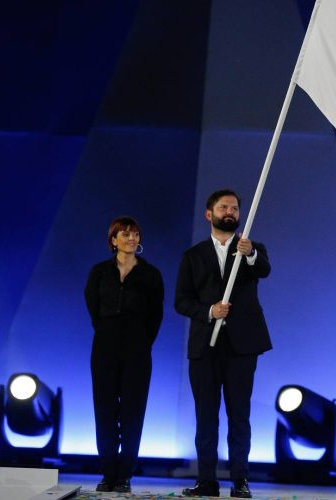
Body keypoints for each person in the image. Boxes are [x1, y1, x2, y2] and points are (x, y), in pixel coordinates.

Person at [175, 189, 271, 498]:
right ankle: (206, 481)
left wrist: (251, 253)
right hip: (205, 346)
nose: (229, 211)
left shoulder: (251, 249)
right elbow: (181, 301)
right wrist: (209, 311)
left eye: (234, 208)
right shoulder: (193, 256)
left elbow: (264, 270)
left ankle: (240, 480)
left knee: (239, 415)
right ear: (209, 214)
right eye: (223, 207)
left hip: (241, 347)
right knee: (205, 415)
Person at [85, 216, 164, 493]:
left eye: (135, 234)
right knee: (104, 410)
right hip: (104, 345)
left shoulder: (151, 274)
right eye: (125, 234)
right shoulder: (99, 272)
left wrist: (141, 341)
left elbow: (156, 315)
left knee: (132, 412)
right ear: (113, 240)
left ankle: (124, 475)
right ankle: (108, 472)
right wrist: (110, 331)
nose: (131, 238)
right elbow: (93, 309)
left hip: (138, 349)